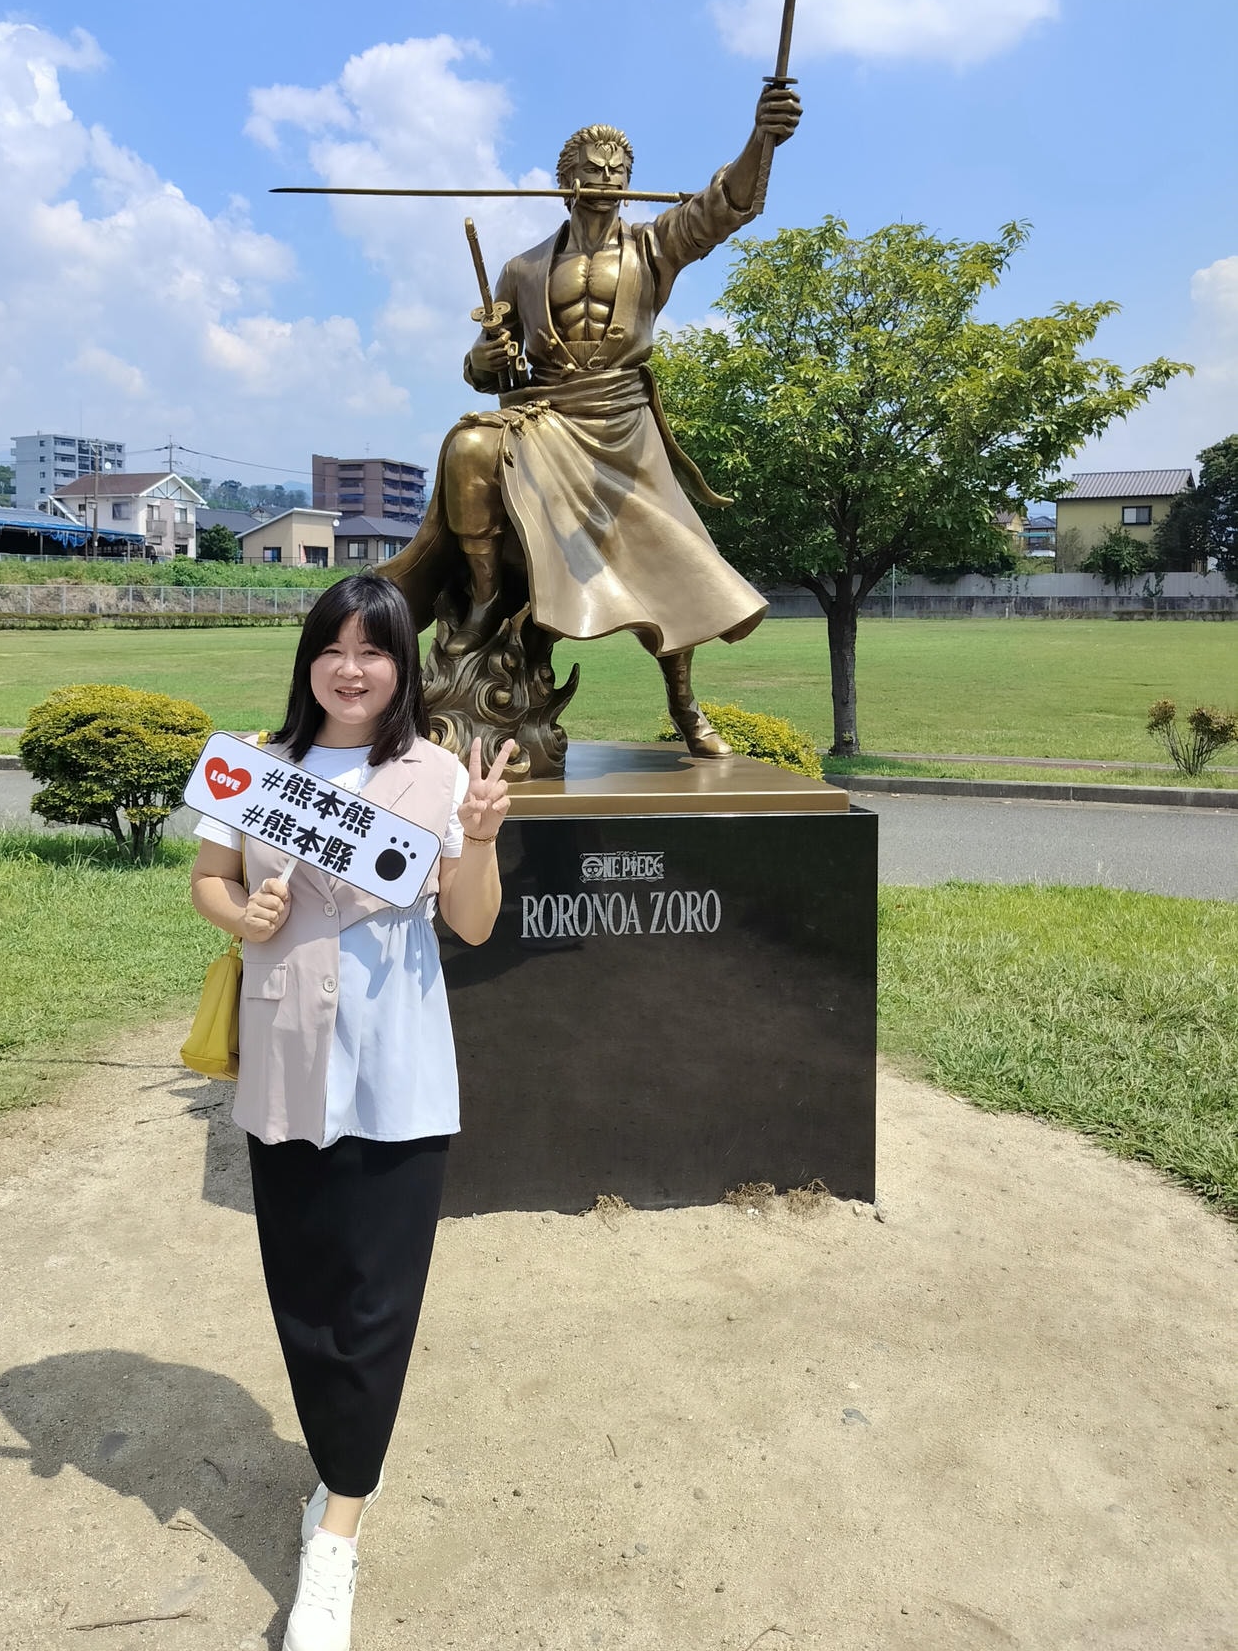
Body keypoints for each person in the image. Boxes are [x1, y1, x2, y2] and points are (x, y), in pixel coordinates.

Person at [189, 573, 513, 1651]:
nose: (351, 665)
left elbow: (469, 923)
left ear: (400, 664)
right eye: (332, 645)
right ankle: (336, 1468)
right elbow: (210, 880)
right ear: (309, 658)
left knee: (376, 1300)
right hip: (286, 1062)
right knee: (305, 1288)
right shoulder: (254, 765)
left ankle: (338, 1524)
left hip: (398, 1070)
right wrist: (248, 910)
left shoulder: (433, 775)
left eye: (372, 648)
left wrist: (483, 833)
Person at [381, 85, 802, 758]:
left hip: (620, 424)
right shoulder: (521, 269)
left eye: (616, 174)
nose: (603, 183)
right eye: (589, 171)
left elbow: (725, 206)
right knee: (465, 444)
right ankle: (488, 598)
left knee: (675, 565)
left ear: (630, 185)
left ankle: (686, 705)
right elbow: (489, 371)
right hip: (544, 417)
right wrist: (485, 355)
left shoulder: (653, 248)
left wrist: (763, 139)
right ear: (563, 182)